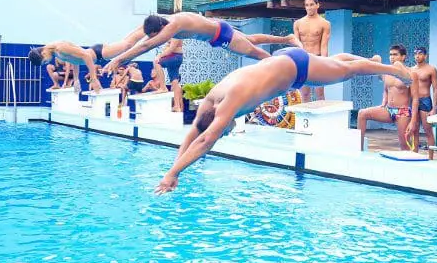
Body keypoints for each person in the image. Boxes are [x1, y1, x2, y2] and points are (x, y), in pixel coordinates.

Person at [156, 49, 412, 193]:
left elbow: (205, 139)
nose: (224, 132)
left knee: (346, 72)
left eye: (224, 131)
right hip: (283, 63)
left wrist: (172, 174)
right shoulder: (211, 100)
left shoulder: (229, 104)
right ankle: (371, 60)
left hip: (293, 67)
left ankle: (392, 69)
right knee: (333, 64)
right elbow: (194, 133)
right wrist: (173, 168)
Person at [101, 12, 298, 75]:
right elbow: (140, 40)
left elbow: (146, 46)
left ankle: (287, 67)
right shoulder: (164, 20)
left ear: (159, 30)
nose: (155, 38)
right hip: (220, 30)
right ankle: (286, 38)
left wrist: (118, 60)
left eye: (155, 35)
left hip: (222, 36)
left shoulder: (174, 24)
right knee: (252, 40)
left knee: (255, 54)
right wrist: (119, 52)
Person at [357, 45, 415, 151]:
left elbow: (415, 98)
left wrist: (413, 121)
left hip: (403, 112)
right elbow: (386, 89)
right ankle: (359, 149)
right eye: (390, 54)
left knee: (404, 145)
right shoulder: (387, 72)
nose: (392, 57)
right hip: (388, 110)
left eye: (395, 55)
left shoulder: (410, 73)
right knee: (362, 113)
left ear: (403, 57)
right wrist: (384, 102)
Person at [294, 0, 332, 101]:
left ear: (317, 5)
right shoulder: (298, 23)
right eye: (307, 5)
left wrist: (325, 63)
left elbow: (324, 45)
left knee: (319, 94)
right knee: (304, 94)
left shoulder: (324, 23)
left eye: (311, 5)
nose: (309, 7)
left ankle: (322, 117)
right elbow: (297, 45)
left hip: (317, 59)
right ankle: (305, 118)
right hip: (303, 60)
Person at [28, 41, 105, 91]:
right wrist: (76, 80)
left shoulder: (60, 49)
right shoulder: (56, 52)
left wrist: (93, 79)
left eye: (44, 61)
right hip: (97, 55)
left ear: (43, 54)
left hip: (99, 52)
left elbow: (87, 56)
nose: (47, 62)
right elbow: (75, 60)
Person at [406, 46, 437, 157]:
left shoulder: (431, 69)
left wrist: (434, 108)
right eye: (415, 53)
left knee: (428, 131)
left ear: (425, 55)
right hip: (413, 101)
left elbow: (435, 89)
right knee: (414, 130)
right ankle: (414, 155)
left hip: (425, 101)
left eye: (420, 53)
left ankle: (430, 157)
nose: (417, 56)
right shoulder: (411, 69)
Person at [155, 39, 185, 112]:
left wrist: (159, 56)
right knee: (174, 81)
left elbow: (171, 49)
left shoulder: (176, 34)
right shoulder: (174, 34)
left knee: (156, 62)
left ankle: (163, 87)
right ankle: (177, 106)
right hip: (175, 57)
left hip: (173, 57)